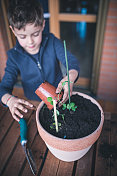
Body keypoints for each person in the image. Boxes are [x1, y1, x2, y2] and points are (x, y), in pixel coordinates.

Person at [0, 0, 80, 122]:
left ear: (43, 25)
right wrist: (9, 100)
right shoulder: (14, 56)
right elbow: (3, 88)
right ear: (13, 30)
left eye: (36, 34)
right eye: (22, 36)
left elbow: (72, 62)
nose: (30, 41)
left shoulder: (52, 42)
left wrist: (70, 77)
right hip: (35, 103)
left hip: (59, 98)